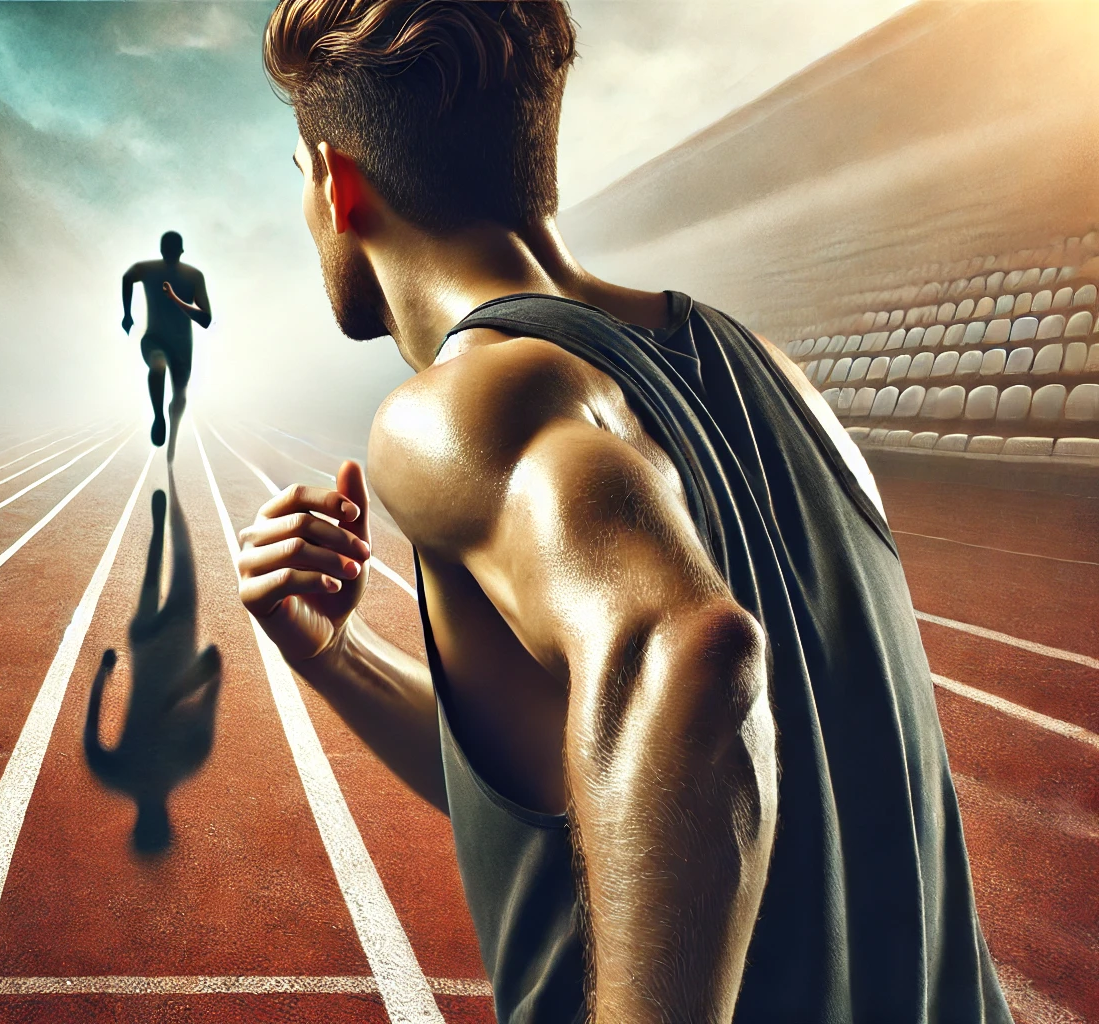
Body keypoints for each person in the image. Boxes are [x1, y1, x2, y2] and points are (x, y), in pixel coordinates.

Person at [235, 2, 1011, 1022]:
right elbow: (597, 794)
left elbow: (685, 661)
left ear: (336, 185)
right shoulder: (769, 374)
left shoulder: (463, 405)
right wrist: (336, 656)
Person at [122, 231, 211, 448]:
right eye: (168, 253)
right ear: (163, 252)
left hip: (181, 347)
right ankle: (159, 416)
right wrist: (127, 313)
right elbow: (128, 277)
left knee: (180, 396)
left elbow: (206, 319)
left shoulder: (194, 276)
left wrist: (175, 299)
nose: (171, 258)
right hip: (154, 339)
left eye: (174, 253)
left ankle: (172, 425)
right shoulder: (149, 270)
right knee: (158, 363)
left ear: (181, 252)